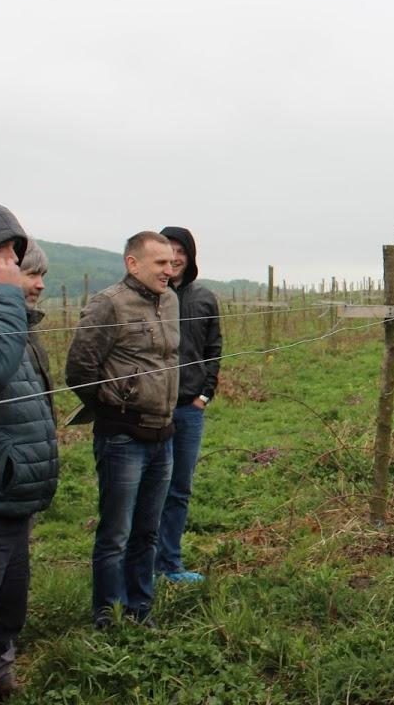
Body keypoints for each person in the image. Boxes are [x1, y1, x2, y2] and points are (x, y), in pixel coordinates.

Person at [66, 232, 180, 628]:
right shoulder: (108, 304)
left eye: (172, 262)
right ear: (133, 264)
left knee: (147, 531)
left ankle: (140, 608)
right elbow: (79, 370)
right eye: (161, 263)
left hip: (162, 434)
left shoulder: (171, 301)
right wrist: (115, 409)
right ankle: (109, 615)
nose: (170, 269)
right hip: (123, 439)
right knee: (115, 533)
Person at [0, 202, 58, 704]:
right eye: (4, 253)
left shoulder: (8, 319)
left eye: (18, 253)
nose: (16, 265)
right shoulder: (1, 312)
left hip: (12, 499)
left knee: (2, 623)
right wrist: (5, 299)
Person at [155, 227, 222, 583]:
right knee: (151, 488)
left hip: (188, 407)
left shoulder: (204, 298)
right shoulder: (148, 296)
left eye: (181, 251)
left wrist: (203, 395)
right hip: (152, 409)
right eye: (168, 250)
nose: (175, 258)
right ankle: (142, 565)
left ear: (190, 256)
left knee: (179, 488)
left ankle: (169, 563)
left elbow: (214, 350)